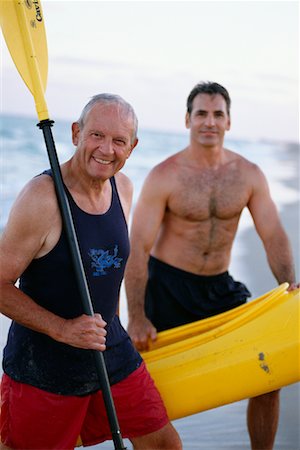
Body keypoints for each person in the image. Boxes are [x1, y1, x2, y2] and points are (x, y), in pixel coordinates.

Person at [0, 94, 182, 450]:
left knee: (164, 444)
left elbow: (109, 272)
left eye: (119, 140)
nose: (107, 149)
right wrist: (63, 329)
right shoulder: (42, 198)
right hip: (44, 363)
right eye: (97, 135)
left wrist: (119, 326)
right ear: (75, 133)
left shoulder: (123, 188)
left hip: (109, 347)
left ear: (133, 147)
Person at [125, 82, 299, 450]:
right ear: (187, 119)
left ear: (229, 122)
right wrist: (137, 316)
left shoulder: (248, 174)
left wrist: (290, 285)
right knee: (146, 389)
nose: (209, 121)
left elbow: (273, 235)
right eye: (201, 113)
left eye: (217, 114)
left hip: (220, 288)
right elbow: (137, 249)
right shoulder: (164, 175)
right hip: (167, 287)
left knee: (269, 374)